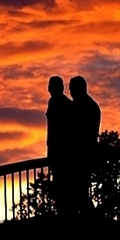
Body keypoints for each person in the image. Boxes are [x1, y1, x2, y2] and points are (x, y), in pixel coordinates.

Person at [68, 75, 101, 216]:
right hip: (85, 155)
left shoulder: (82, 106)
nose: (70, 91)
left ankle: (92, 221)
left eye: (71, 88)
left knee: (79, 193)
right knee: (80, 193)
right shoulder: (91, 105)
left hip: (81, 157)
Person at [46, 76, 74, 215]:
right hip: (56, 153)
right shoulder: (54, 102)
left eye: (51, 85)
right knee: (60, 193)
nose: (49, 89)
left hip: (63, 155)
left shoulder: (64, 105)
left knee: (65, 194)